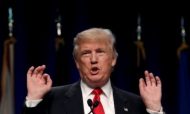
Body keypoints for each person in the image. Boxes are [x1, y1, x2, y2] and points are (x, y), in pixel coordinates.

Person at [23, 27, 165, 114]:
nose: (93, 59)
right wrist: (33, 100)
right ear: (77, 62)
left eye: (100, 52)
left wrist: (154, 109)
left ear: (113, 59)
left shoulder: (137, 105)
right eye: (85, 53)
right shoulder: (52, 100)